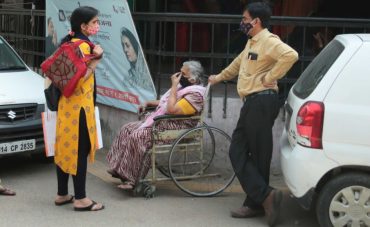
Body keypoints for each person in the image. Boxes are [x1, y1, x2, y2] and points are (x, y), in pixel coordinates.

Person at [208, 2, 298, 226]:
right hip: (253, 103)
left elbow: (291, 55)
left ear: (255, 22)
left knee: (247, 152)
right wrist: (217, 78)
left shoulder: (268, 41)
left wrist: (270, 77)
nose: (242, 22)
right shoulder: (252, 43)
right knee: (246, 152)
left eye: (245, 18)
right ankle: (261, 199)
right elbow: (236, 65)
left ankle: (260, 198)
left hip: (261, 101)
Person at [107, 60, 206, 190]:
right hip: (163, 121)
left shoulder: (195, 95)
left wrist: (174, 86)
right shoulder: (185, 88)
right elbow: (165, 102)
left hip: (177, 125)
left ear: (192, 80)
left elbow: (171, 109)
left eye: (182, 74)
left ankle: (133, 179)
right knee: (126, 129)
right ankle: (119, 169)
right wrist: (149, 102)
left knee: (138, 136)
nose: (178, 76)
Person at [50, 6, 104, 212]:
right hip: (80, 108)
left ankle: (62, 193)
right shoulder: (84, 47)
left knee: (64, 148)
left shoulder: (68, 43)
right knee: (79, 151)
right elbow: (80, 81)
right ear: (83, 26)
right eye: (94, 22)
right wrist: (96, 61)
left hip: (66, 107)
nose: (98, 25)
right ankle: (80, 198)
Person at [120, 27, 154, 91]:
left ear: (135, 46)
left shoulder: (147, 75)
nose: (125, 50)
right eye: (123, 46)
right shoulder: (128, 76)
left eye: (127, 45)